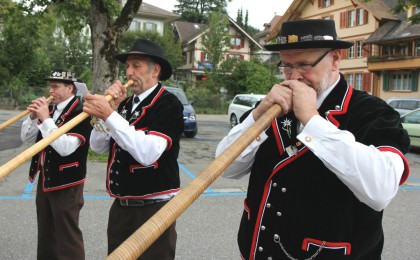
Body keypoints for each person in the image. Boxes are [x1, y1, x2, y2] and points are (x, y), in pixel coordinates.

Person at [215, 19, 410, 260]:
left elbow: (382, 189)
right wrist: (256, 115)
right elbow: (226, 167)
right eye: (287, 66)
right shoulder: (269, 109)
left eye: (305, 65)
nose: (294, 77)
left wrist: (310, 119)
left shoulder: (373, 112)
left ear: (335, 59)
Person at [83, 38, 184, 259]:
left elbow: (148, 153)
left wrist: (110, 115)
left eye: (136, 66)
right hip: (121, 206)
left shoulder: (169, 104)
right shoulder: (125, 105)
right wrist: (108, 112)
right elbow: (97, 146)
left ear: (155, 71)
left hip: (155, 209)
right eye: (127, 66)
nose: (129, 72)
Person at [21, 68, 92, 260]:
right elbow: (27, 140)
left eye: (56, 87)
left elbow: (65, 148)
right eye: (50, 87)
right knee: (45, 234)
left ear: (70, 89)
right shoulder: (50, 110)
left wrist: (46, 119)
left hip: (68, 182)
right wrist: (32, 118)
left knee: (67, 235)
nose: (50, 92)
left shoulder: (81, 112)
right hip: (45, 179)